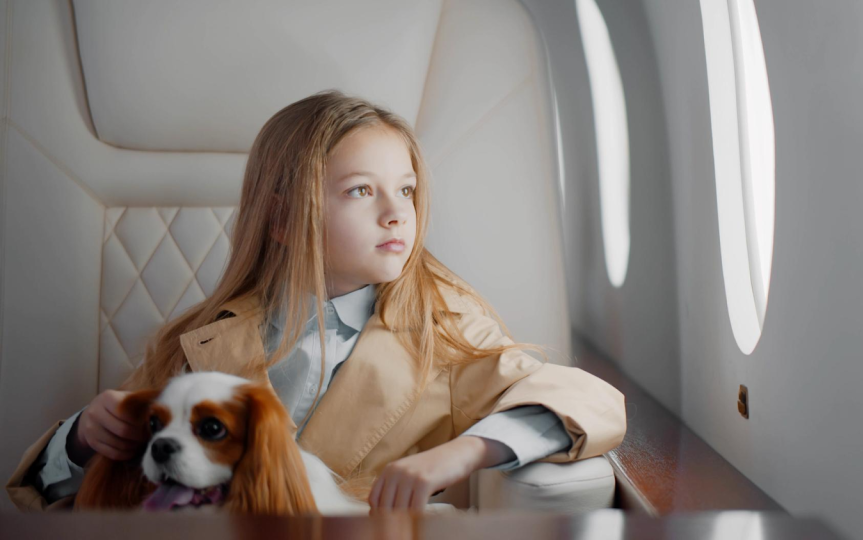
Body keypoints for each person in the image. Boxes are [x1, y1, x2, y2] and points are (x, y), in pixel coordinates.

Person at [6, 90, 626, 513]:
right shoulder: (200, 342)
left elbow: (582, 396)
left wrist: (455, 455)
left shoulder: (443, 324)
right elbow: (83, 482)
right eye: (361, 190)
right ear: (282, 220)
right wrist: (85, 436)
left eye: (406, 190)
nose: (396, 212)